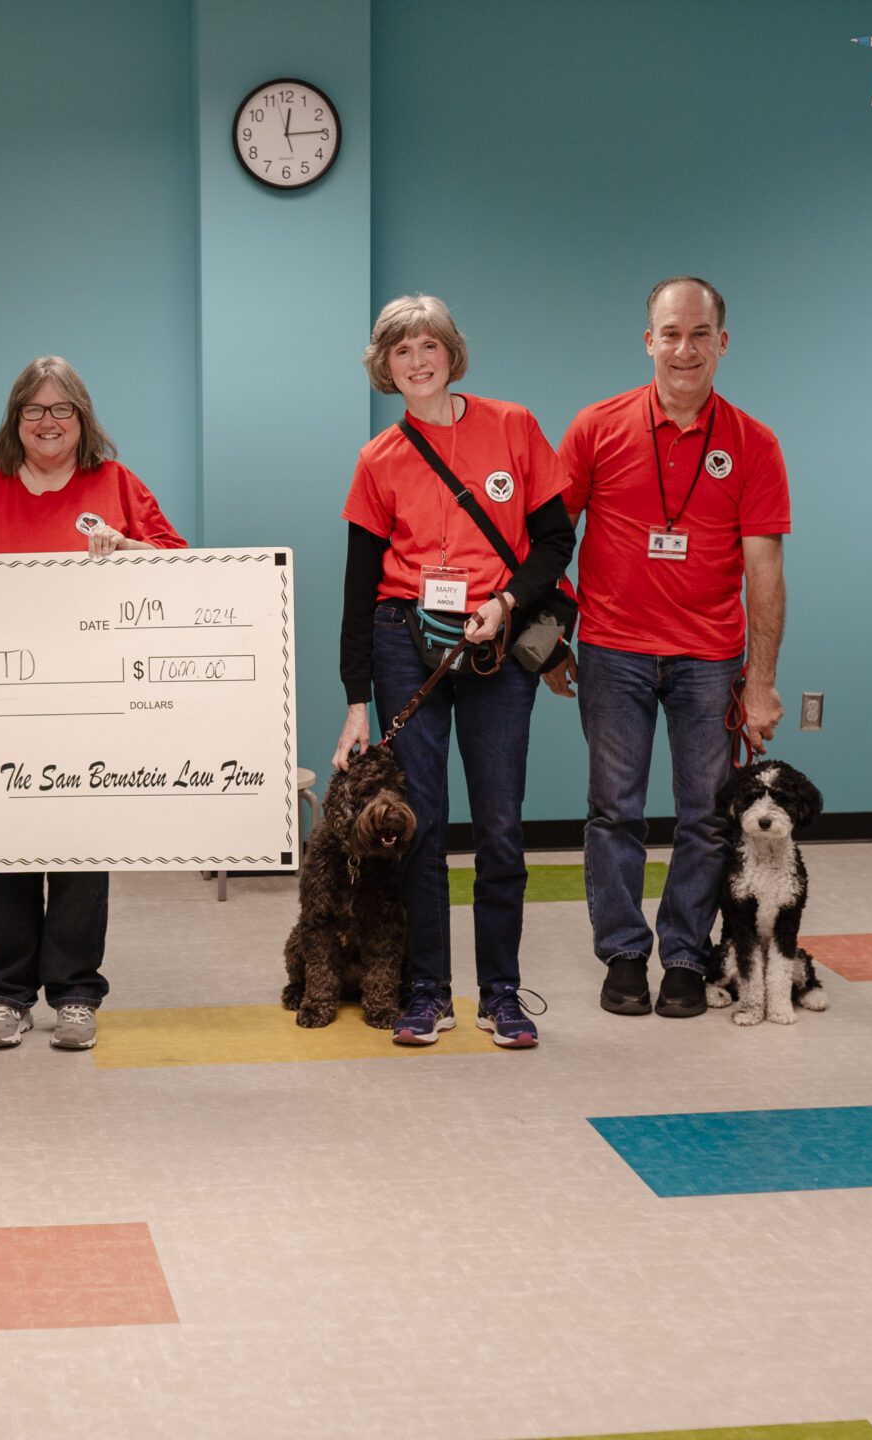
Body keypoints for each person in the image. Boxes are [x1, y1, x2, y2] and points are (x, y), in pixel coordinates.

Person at [334, 296, 575, 1048]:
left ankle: (500, 993)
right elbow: (358, 588)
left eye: (428, 345)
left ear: (451, 353)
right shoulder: (378, 459)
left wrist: (506, 603)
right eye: (401, 350)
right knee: (420, 825)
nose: (417, 360)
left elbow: (555, 541)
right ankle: (427, 991)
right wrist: (355, 703)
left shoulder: (513, 426)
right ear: (385, 366)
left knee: (500, 825)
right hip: (405, 642)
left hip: (494, 640)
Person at [0, 356, 186, 1051]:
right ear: (16, 419)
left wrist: (127, 547)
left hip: (89, 701)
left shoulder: (116, 482)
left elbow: (179, 562)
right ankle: (6, 995)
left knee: (80, 848)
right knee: (1, 847)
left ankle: (75, 994)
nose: (48, 422)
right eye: (34, 410)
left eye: (61, 409)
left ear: (83, 418)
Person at [555, 276, 789, 1021]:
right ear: (648, 340)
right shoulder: (596, 427)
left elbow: (764, 571)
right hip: (612, 649)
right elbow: (547, 540)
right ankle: (624, 953)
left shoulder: (754, 443)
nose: (684, 349)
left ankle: (684, 956)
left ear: (723, 342)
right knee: (614, 812)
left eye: (699, 334)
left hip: (709, 658)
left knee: (706, 817)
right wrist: (553, 639)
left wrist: (761, 681)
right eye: (670, 334)